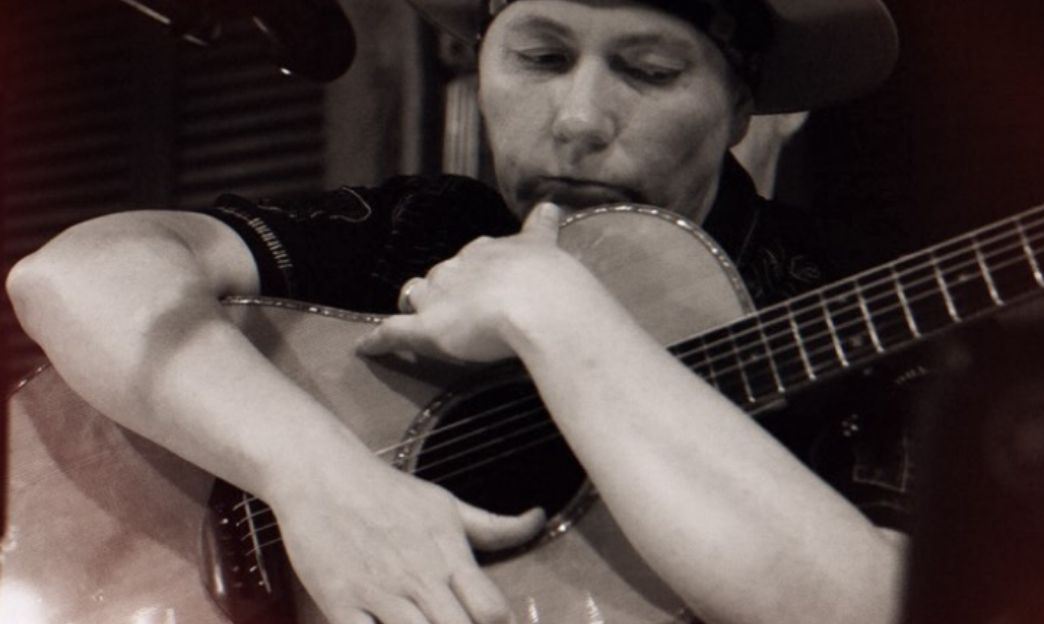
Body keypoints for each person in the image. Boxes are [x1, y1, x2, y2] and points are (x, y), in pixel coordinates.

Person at [6, 0, 911, 622]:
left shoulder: (848, 293)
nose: (579, 119)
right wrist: (324, 484)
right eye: (541, 59)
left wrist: (557, 315)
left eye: (648, 70)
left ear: (739, 105)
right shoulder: (432, 227)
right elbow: (73, 275)